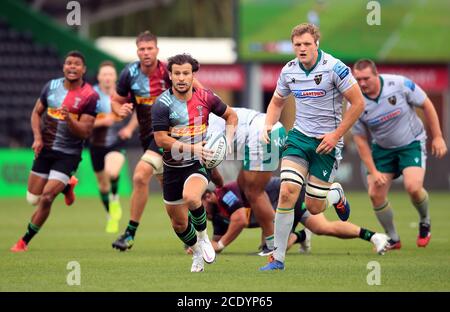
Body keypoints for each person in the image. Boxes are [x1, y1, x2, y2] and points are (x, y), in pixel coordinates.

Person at [260, 23, 365, 271]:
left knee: (315, 207)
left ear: (317, 44)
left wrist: (337, 135)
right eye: (297, 45)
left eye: (307, 44)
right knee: (287, 192)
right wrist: (267, 124)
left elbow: (358, 103)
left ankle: (335, 193)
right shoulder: (289, 71)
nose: (302, 48)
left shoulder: (335, 68)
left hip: (327, 142)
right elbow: (276, 102)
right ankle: (279, 258)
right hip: (299, 137)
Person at [152, 53, 238, 272]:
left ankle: (203, 238)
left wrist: (226, 142)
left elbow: (231, 116)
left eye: (186, 73)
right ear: (170, 76)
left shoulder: (206, 97)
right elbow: (161, 139)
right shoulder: (162, 104)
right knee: (178, 224)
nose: (182, 78)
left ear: (193, 75)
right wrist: (193, 147)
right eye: (177, 73)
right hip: (172, 167)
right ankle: (197, 252)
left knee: (192, 197)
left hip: (198, 163)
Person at [351, 59, 448, 250]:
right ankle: (393, 238)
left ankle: (425, 220)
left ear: (376, 75)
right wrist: (372, 171)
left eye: (366, 78)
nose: (362, 83)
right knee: (375, 194)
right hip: (383, 149)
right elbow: (360, 140)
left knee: (413, 187)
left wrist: (437, 137)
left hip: (411, 142)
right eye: (358, 79)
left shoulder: (400, 84)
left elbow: (426, 104)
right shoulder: (356, 102)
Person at [11, 51, 98, 252]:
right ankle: (68, 186)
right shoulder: (51, 87)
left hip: (68, 155)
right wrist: (38, 138)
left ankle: (23, 241)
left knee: (47, 197)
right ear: (64, 67)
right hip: (46, 149)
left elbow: (85, 131)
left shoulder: (89, 96)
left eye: (77, 64)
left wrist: (69, 120)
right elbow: (36, 113)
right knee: (32, 199)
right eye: (69, 63)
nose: (72, 67)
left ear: (83, 69)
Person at [201, 177, 388, 255]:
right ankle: (375, 236)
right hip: (276, 208)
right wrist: (202, 247)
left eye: (198, 202)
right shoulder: (216, 215)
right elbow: (216, 240)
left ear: (209, 195)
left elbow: (240, 219)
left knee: (275, 247)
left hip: (284, 196)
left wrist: (222, 245)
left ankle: (302, 234)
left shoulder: (225, 194)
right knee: (324, 227)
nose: (198, 207)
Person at [110, 31, 171, 250]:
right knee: (171, 193)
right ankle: (192, 235)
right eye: (142, 49)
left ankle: (129, 233)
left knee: (139, 176)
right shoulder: (129, 73)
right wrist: (121, 109)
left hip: (171, 136)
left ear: (157, 50)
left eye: (150, 48)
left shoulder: (169, 72)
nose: (146, 52)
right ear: (137, 51)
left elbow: (197, 92)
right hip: (147, 137)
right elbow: (115, 102)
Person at [208, 107, 287, 255]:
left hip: (262, 133)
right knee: (242, 185)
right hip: (272, 129)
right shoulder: (206, 109)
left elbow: (212, 170)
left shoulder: (201, 127)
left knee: (254, 192)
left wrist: (219, 185)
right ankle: (275, 234)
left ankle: (273, 244)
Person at [90, 61, 135, 233]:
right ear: (99, 77)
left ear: (115, 77)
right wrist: (102, 121)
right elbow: (81, 122)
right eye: (104, 74)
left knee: (113, 172)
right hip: (97, 144)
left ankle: (115, 198)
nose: (107, 77)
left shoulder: (122, 93)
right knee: (102, 185)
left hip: (116, 141)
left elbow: (139, 110)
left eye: (110, 74)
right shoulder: (91, 95)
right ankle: (110, 214)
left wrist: (129, 128)